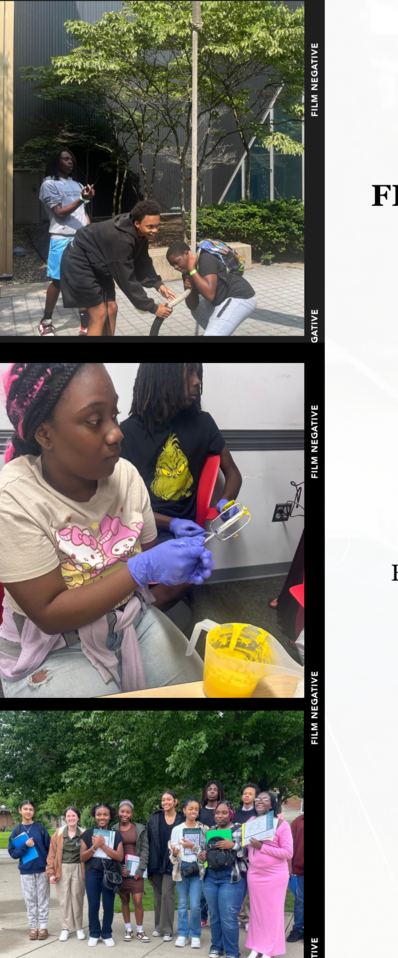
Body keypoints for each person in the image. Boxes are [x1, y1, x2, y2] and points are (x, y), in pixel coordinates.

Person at [0, 363, 213, 697]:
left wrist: (179, 566)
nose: (116, 433)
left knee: (203, 699)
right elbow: (50, 615)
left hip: (131, 620)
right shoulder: (15, 496)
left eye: (114, 415)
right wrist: (142, 567)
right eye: (94, 421)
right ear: (45, 434)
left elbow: (150, 556)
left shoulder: (126, 476)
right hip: (54, 645)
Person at [119, 364, 243, 614]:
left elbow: (233, 474)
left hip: (179, 533)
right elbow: (121, 506)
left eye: (199, 373)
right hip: (138, 525)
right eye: (189, 373)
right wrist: (171, 522)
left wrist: (226, 501)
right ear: (161, 377)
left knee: (185, 576)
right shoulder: (127, 433)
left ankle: (133, 619)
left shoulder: (203, 423)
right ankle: (126, 618)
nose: (197, 381)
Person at [59, 199, 179, 336]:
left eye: (157, 226)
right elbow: (127, 280)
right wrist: (153, 307)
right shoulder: (121, 241)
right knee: (99, 313)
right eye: (150, 227)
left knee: (111, 308)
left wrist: (158, 285)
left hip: (99, 261)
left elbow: (142, 262)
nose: (155, 230)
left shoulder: (140, 233)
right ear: (137, 223)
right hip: (79, 262)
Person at [36, 149, 92, 338]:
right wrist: (82, 198)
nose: (70, 162)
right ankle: (46, 321)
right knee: (59, 281)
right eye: (66, 159)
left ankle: (85, 325)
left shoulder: (78, 184)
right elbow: (59, 213)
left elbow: (83, 213)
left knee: (82, 279)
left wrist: (88, 230)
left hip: (81, 239)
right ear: (56, 162)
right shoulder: (49, 184)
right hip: (61, 239)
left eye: (72, 159)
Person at [244, 792, 293, 958]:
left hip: (274, 875)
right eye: (258, 799)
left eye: (265, 799)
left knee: (272, 914)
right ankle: (257, 947)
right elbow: (245, 845)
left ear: (272, 804)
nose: (260, 801)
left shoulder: (281, 824)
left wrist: (262, 847)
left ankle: (270, 953)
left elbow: (288, 852)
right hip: (255, 874)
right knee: (257, 913)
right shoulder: (251, 822)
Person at [166, 241, 258, 336]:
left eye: (176, 262)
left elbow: (209, 295)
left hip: (239, 297)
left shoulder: (205, 259)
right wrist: (188, 288)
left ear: (186, 254)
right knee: (197, 311)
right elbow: (192, 306)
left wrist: (193, 271)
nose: (175, 267)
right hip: (220, 300)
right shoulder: (186, 272)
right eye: (172, 265)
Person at [198, 800, 247, 958]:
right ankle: (216, 946)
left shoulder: (240, 830)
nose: (220, 815)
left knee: (228, 916)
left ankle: (232, 951)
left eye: (224, 812)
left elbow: (248, 853)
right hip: (210, 877)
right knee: (214, 915)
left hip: (231, 877)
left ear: (231, 814)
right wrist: (202, 857)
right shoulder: (209, 831)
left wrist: (233, 845)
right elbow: (202, 853)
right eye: (218, 812)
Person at [80, 803, 124, 946]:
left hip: (110, 874)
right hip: (92, 874)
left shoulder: (116, 834)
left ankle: (106, 934)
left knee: (108, 905)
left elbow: (119, 857)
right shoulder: (88, 834)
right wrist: (94, 846)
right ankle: (94, 933)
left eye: (105, 814)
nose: (102, 817)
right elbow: (82, 857)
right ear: (94, 816)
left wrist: (102, 845)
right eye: (99, 814)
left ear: (110, 816)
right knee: (93, 905)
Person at [8, 799, 51, 940]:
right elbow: (13, 853)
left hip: (42, 869)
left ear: (34, 811)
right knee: (30, 900)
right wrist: (26, 846)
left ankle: (43, 926)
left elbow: (50, 849)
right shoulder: (16, 831)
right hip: (26, 871)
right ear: (20, 811)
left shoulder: (40, 828)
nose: (28, 811)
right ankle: (33, 927)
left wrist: (50, 867)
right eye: (25, 809)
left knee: (43, 899)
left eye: (31, 809)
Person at [169, 796, 208, 948]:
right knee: (182, 904)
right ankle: (183, 934)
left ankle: (195, 934)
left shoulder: (204, 829)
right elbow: (172, 852)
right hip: (182, 868)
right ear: (184, 810)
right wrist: (174, 853)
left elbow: (205, 851)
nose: (194, 811)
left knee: (196, 904)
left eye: (196, 809)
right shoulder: (177, 829)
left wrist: (192, 847)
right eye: (190, 809)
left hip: (197, 868)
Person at [147, 791, 185, 941]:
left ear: (175, 801)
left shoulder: (182, 819)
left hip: (173, 861)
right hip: (155, 861)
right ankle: (158, 926)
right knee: (158, 896)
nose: (165, 802)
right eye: (163, 800)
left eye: (169, 799)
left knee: (167, 894)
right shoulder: (154, 818)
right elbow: (148, 840)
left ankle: (167, 929)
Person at [110, 800, 149, 942]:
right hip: (122, 871)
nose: (124, 814)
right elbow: (111, 851)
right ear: (119, 812)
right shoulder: (113, 829)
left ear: (132, 813)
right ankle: (128, 929)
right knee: (124, 899)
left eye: (128, 812)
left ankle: (140, 930)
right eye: (122, 811)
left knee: (138, 901)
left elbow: (145, 850)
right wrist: (120, 869)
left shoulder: (140, 829)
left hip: (136, 871)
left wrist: (140, 869)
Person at [45, 805, 86, 940]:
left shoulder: (84, 834)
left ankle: (79, 927)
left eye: (73, 815)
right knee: (64, 899)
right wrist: (51, 872)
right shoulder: (58, 834)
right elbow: (52, 854)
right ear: (65, 818)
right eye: (68, 816)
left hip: (78, 868)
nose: (71, 818)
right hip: (61, 869)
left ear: (78, 817)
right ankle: (65, 928)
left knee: (77, 898)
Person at [198, 780, 225, 926]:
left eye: (215, 789)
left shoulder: (224, 811)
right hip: (204, 851)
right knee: (203, 882)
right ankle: (203, 916)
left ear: (219, 792)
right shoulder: (200, 812)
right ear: (205, 792)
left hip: (220, 851)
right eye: (210, 789)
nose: (212, 791)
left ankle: (218, 914)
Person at [235, 784, 260, 931]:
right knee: (238, 888)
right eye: (245, 793)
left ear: (255, 797)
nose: (247, 795)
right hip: (237, 855)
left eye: (250, 794)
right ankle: (240, 917)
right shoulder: (235, 814)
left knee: (252, 890)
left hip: (253, 856)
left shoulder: (258, 815)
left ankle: (249, 918)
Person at [288, 810, 304, 942]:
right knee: (300, 900)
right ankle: (298, 928)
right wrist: (290, 866)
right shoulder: (298, 822)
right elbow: (290, 845)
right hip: (301, 868)